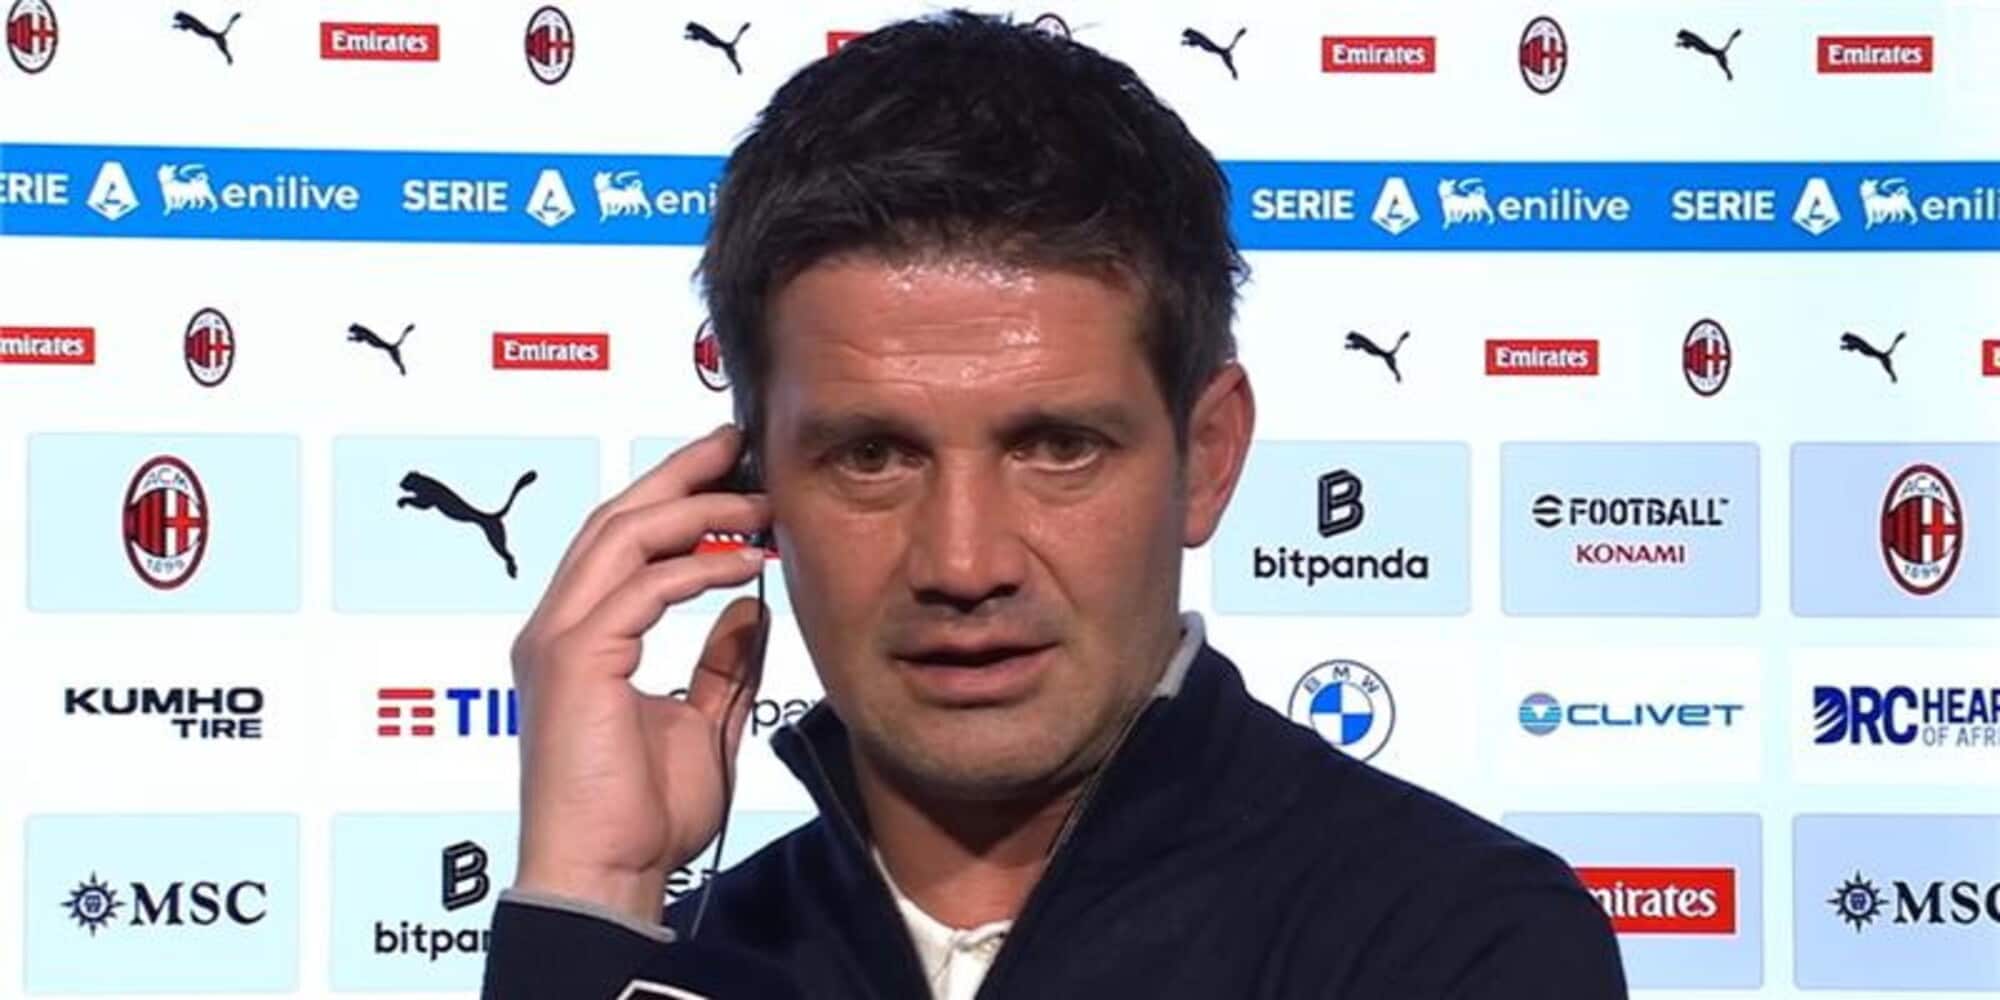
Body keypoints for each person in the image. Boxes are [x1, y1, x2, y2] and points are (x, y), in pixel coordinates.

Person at [481, 10, 1627, 999]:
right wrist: (590, 898)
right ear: (751, 489)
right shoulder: (666, 961)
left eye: (1058, 448)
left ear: (1206, 456)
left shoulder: (1450, 940)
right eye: (872, 455)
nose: (963, 561)